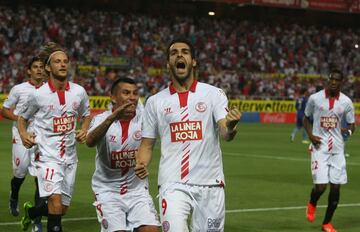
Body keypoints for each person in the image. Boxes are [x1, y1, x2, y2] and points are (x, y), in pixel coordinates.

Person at [134, 38, 241, 231]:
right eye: (174, 53)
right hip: (172, 184)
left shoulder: (213, 94)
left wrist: (231, 126)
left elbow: (225, 132)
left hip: (210, 183)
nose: (180, 55)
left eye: (185, 52)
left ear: (193, 61)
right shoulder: (155, 102)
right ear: (168, 64)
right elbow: (147, 144)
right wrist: (141, 163)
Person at [17, 42, 91, 232]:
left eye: (65, 61)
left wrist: (83, 129)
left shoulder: (79, 92)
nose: (63, 64)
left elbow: (86, 114)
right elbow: (22, 118)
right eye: (57, 61)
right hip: (47, 158)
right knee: (55, 205)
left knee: (61, 208)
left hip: (70, 159)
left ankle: (32, 213)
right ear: (48, 67)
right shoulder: (38, 95)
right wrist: (24, 135)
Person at [86, 77, 160, 232]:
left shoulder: (144, 118)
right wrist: (112, 117)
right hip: (107, 191)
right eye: (126, 93)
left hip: (137, 190)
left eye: (135, 93)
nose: (131, 97)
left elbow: (149, 146)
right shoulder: (101, 119)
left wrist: (143, 164)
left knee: (151, 230)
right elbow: (90, 141)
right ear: (113, 97)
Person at [304, 69, 355, 232]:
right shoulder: (315, 98)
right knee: (321, 187)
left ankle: (327, 223)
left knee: (336, 187)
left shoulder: (346, 102)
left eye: (337, 80)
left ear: (341, 82)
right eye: (331, 79)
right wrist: (310, 135)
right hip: (319, 147)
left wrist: (347, 132)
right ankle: (312, 202)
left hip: (338, 150)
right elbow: (306, 118)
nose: (333, 82)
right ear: (328, 80)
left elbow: (352, 125)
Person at [1, 56, 46, 231]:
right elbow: (4, 110)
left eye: (42, 67)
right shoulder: (19, 89)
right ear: (29, 70)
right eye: (35, 67)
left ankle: (36, 220)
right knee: (20, 173)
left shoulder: (49, 90)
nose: (39, 70)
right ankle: (14, 196)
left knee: (39, 177)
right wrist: (21, 119)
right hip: (20, 135)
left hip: (41, 137)